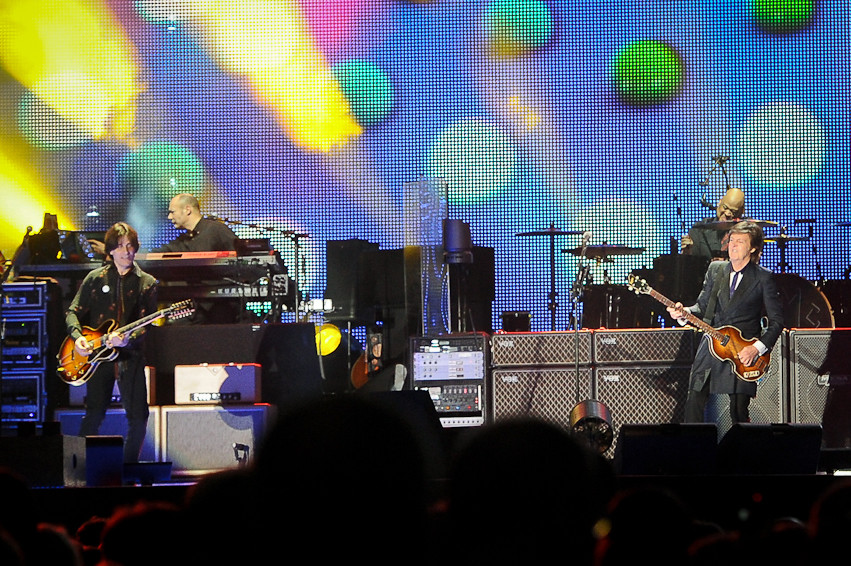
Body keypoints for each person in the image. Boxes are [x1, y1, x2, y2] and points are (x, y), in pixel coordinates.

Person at [667, 221, 783, 424]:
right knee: (694, 399)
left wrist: (756, 349)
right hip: (711, 345)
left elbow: (777, 321)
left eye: (740, 241)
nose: (733, 245)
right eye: (732, 240)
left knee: (738, 411)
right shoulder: (715, 269)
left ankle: (740, 453)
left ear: (753, 247)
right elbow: (701, 308)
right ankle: (693, 449)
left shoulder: (763, 278)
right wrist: (684, 313)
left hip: (742, 351)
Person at [65, 222, 158, 462]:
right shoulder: (95, 278)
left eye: (130, 246)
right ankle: (82, 469)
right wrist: (78, 338)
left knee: (138, 417)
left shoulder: (147, 283)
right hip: (98, 357)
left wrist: (128, 339)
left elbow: (147, 324)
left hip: (130, 357)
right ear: (111, 250)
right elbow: (73, 311)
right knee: (94, 414)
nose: (126, 251)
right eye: (120, 247)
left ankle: (127, 469)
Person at [151, 193, 238, 253]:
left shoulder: (217, 230)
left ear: (187, 210)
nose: (169, 217)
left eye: (172, 212)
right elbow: (162, 252)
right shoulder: (183, 240)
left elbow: (241, 258)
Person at [682, 187, 745, 260]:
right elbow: (692, 264)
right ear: (719, 202)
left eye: (733, 212)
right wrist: (687, 253)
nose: (727, 213)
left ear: (741, 212)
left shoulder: (746, 233)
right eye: (725, 207)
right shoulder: (699, 230)